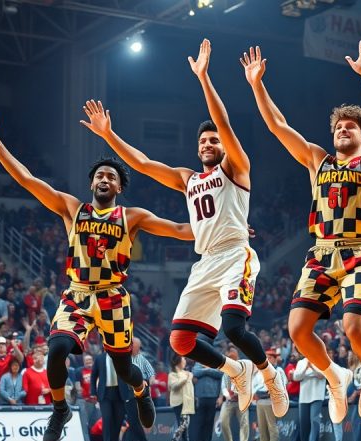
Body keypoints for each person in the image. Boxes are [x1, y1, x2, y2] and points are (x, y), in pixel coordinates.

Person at [80, 39, 288, 419]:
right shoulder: (188, 178)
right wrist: (108, 135)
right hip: (205, 261)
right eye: (203, 141)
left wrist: (204, 77)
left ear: (223, 147)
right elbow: (143, 164)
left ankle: (270, 375)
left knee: (233, 328)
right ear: (197, 149)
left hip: (235, 255)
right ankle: (236, 370)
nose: (209, 143)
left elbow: (223, 123)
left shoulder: (236, 168)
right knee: (180, 340)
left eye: (214, 140)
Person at [0, 114, 194, 441]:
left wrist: (227, 230)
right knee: (57, 349)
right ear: (91, 184)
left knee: (124, 368)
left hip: (113, 296)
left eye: (111, 177)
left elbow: (182, 229)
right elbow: (26, 179)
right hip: (78, 294)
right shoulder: (73, 208)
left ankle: (140, 389)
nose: (104, 179)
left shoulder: (132, 216)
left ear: (119, 187)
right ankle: (60, 410)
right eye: (100, 175)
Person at [242, 37, 361, 424]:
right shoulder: (317, 160)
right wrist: (257, 85)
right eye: (339, 126)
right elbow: (278, 126)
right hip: (322, 254)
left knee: (354, 327)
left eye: (351, 127)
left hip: (360, 252)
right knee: (297, 330)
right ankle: (335, 377)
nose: (344, 130)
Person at [168, 354, 195, 441]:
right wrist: (186, 378)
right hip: (178, 403)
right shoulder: (172, 374)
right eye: (183, 359)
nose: (185, 361)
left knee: (185, 425)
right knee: (184, 424)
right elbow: (174, 386)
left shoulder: (187, 373)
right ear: (178, 361)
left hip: (187, 403)